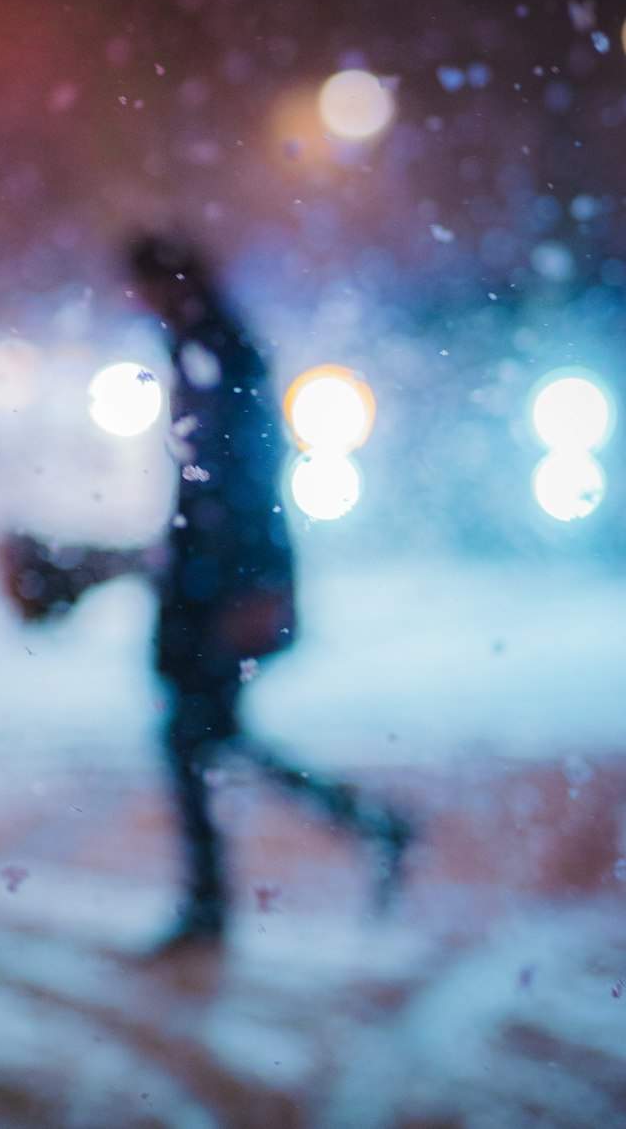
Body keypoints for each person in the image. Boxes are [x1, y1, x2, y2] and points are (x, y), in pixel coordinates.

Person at [125, 231, 414, 956]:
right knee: (205, 735)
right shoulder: (208, 344)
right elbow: (211, 484)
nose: (140, 302)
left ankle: (212, 906)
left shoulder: (218, 351)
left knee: (196, 735)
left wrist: (233, 581)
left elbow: (233, 484)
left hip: (225, 583)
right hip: (218, 578)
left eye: (146, 287)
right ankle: (366, 826)